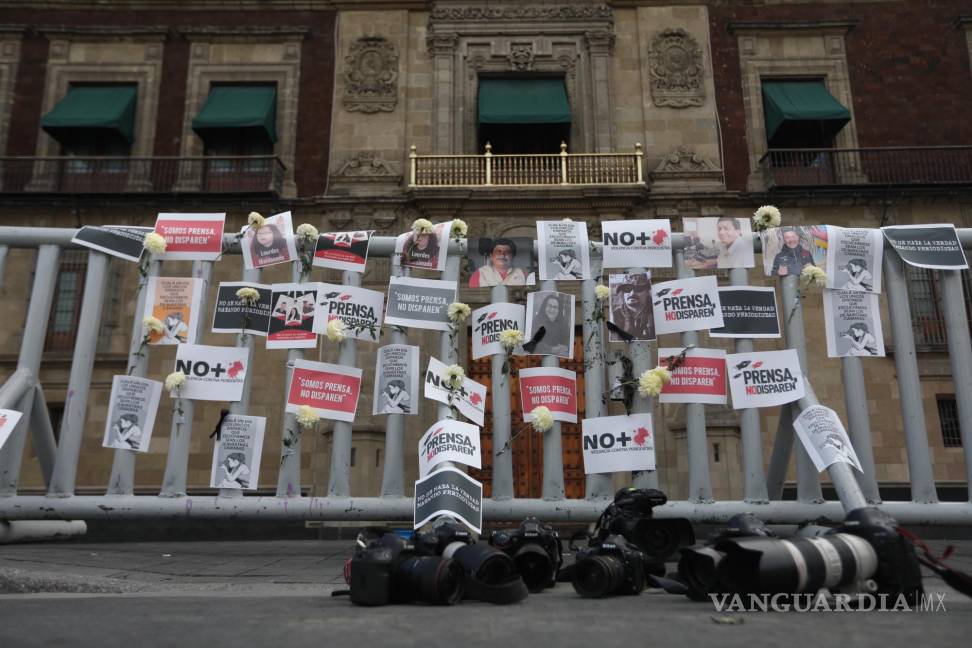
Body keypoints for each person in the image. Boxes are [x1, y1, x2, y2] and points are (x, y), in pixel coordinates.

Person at [610, 274, 654, 341]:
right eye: (627, 289)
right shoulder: (613, 317)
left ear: (647, 292)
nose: (632, 293)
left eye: (639, 289)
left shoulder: (656, 314)